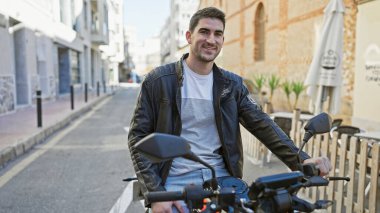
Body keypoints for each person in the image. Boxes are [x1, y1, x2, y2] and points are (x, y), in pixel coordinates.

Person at [128, 7, 331, 213]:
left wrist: (303, 161)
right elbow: (138, 138)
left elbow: (263, 125)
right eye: (204, 32)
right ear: (189, 36)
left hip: (221, 178)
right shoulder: (158, 80)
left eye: (218, 34)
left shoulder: (232, 85)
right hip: (174, 180)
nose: (211, 40)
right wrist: (155, 193)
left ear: (223, 41)